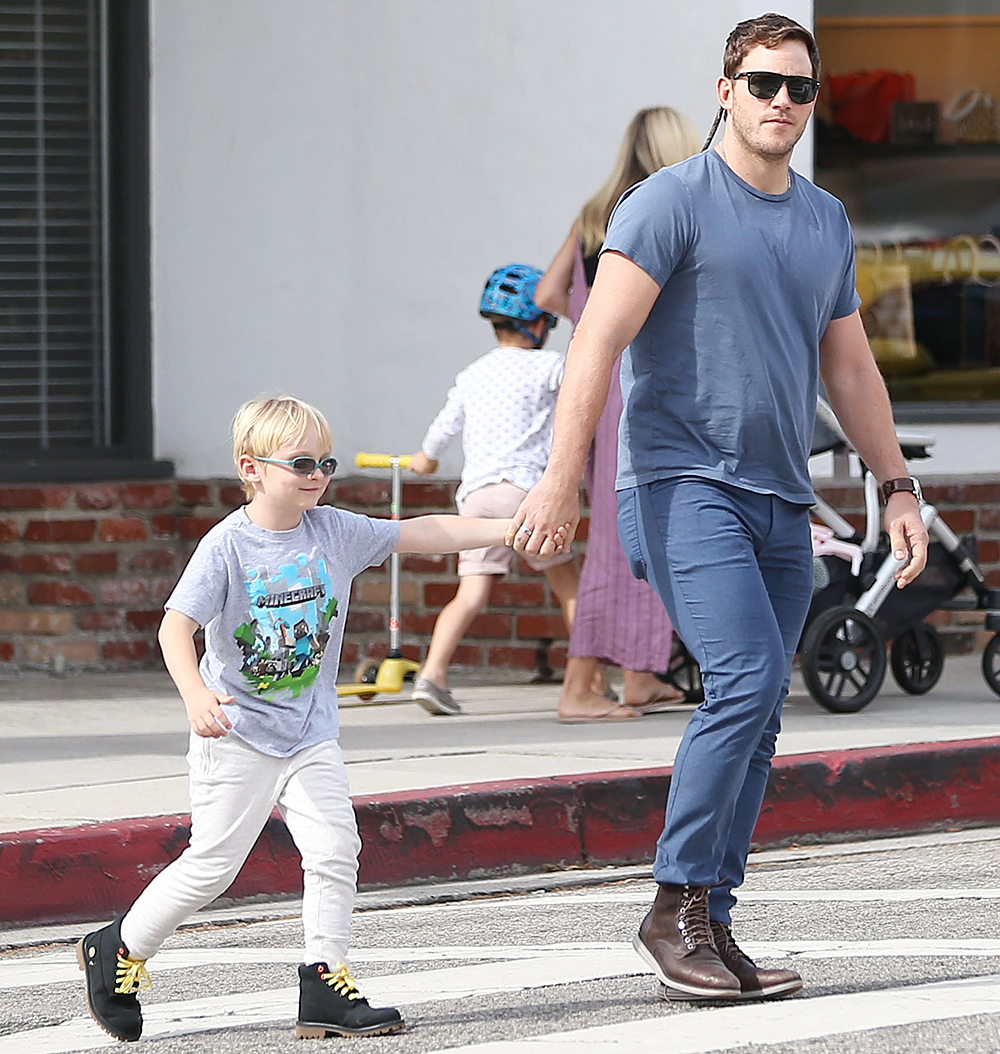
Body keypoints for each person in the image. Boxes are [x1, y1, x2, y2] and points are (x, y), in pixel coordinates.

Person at [508, 13, 928, 1003]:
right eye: (763, 83)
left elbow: (850, 365)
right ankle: (672, 907)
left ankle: (715, 919)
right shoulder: (668, 204)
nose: (781, 102)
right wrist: (561, 477)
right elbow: (594, 346)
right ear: (724, 88)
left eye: (799, 88)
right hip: (678, 483)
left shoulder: (823, 218)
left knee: (759, 712)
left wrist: (896, 486)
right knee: (740, 681)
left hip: (782, 493)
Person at [76, 395, 555, 1042]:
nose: (317, 474)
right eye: (301, 462)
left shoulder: (333, 530)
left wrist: (509, 528)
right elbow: (175, 628)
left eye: (324, 462)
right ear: (251, 468)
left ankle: (324, 980)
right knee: (213, 865)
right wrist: (194, 695)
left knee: (334, 849)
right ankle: (119, 948)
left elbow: (425, 532)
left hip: (309, 734)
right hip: (238, 734)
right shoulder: (228, 546)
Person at [534, 107, 701, 721]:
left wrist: (588, 317)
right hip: (635, 387)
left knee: (641, 532)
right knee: (620, 539)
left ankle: (639, 675)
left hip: (594, 390)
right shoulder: (671, 208)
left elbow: (547, 294)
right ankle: (580, 688)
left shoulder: (593, 215)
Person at [407, 263, 596, 719]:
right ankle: (586, 679)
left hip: (477, 497)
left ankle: (432, 674)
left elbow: (442, 429)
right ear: (538, 324)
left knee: (469, 594)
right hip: (527, 496)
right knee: (569, 587)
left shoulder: (474, 374)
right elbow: (584, 393)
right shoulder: (550, 366)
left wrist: (424, 459)